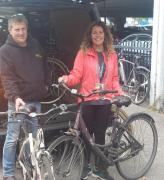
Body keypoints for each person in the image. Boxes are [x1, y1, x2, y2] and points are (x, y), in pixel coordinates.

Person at [58, 21, 123, 180]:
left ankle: (101, 169)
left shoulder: (112, 55)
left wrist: (119, 93)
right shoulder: (83, 52)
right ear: (90, 35)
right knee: (85, 137)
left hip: (105, 100)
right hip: (88, 99)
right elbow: (76, 74)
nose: (98, 35)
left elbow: (114, 78)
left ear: (105, 35)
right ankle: (86, 168)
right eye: (95, 32)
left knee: (100, 136)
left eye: (101, 32)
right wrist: (66, 79)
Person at [0, 14, 49, 180]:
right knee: (12, 138)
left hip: (35, 100)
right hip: (18, 102)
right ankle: (8, 173)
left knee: (33, 138)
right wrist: (15, 97)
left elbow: (45, 65)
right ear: (10, 30)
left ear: (27, 29)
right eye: (17, 29)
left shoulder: (35, 45)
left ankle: (29, 165)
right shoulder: (5, 51)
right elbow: (7, 78)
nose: (21, 33)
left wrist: (46, 84)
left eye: (23, 29)